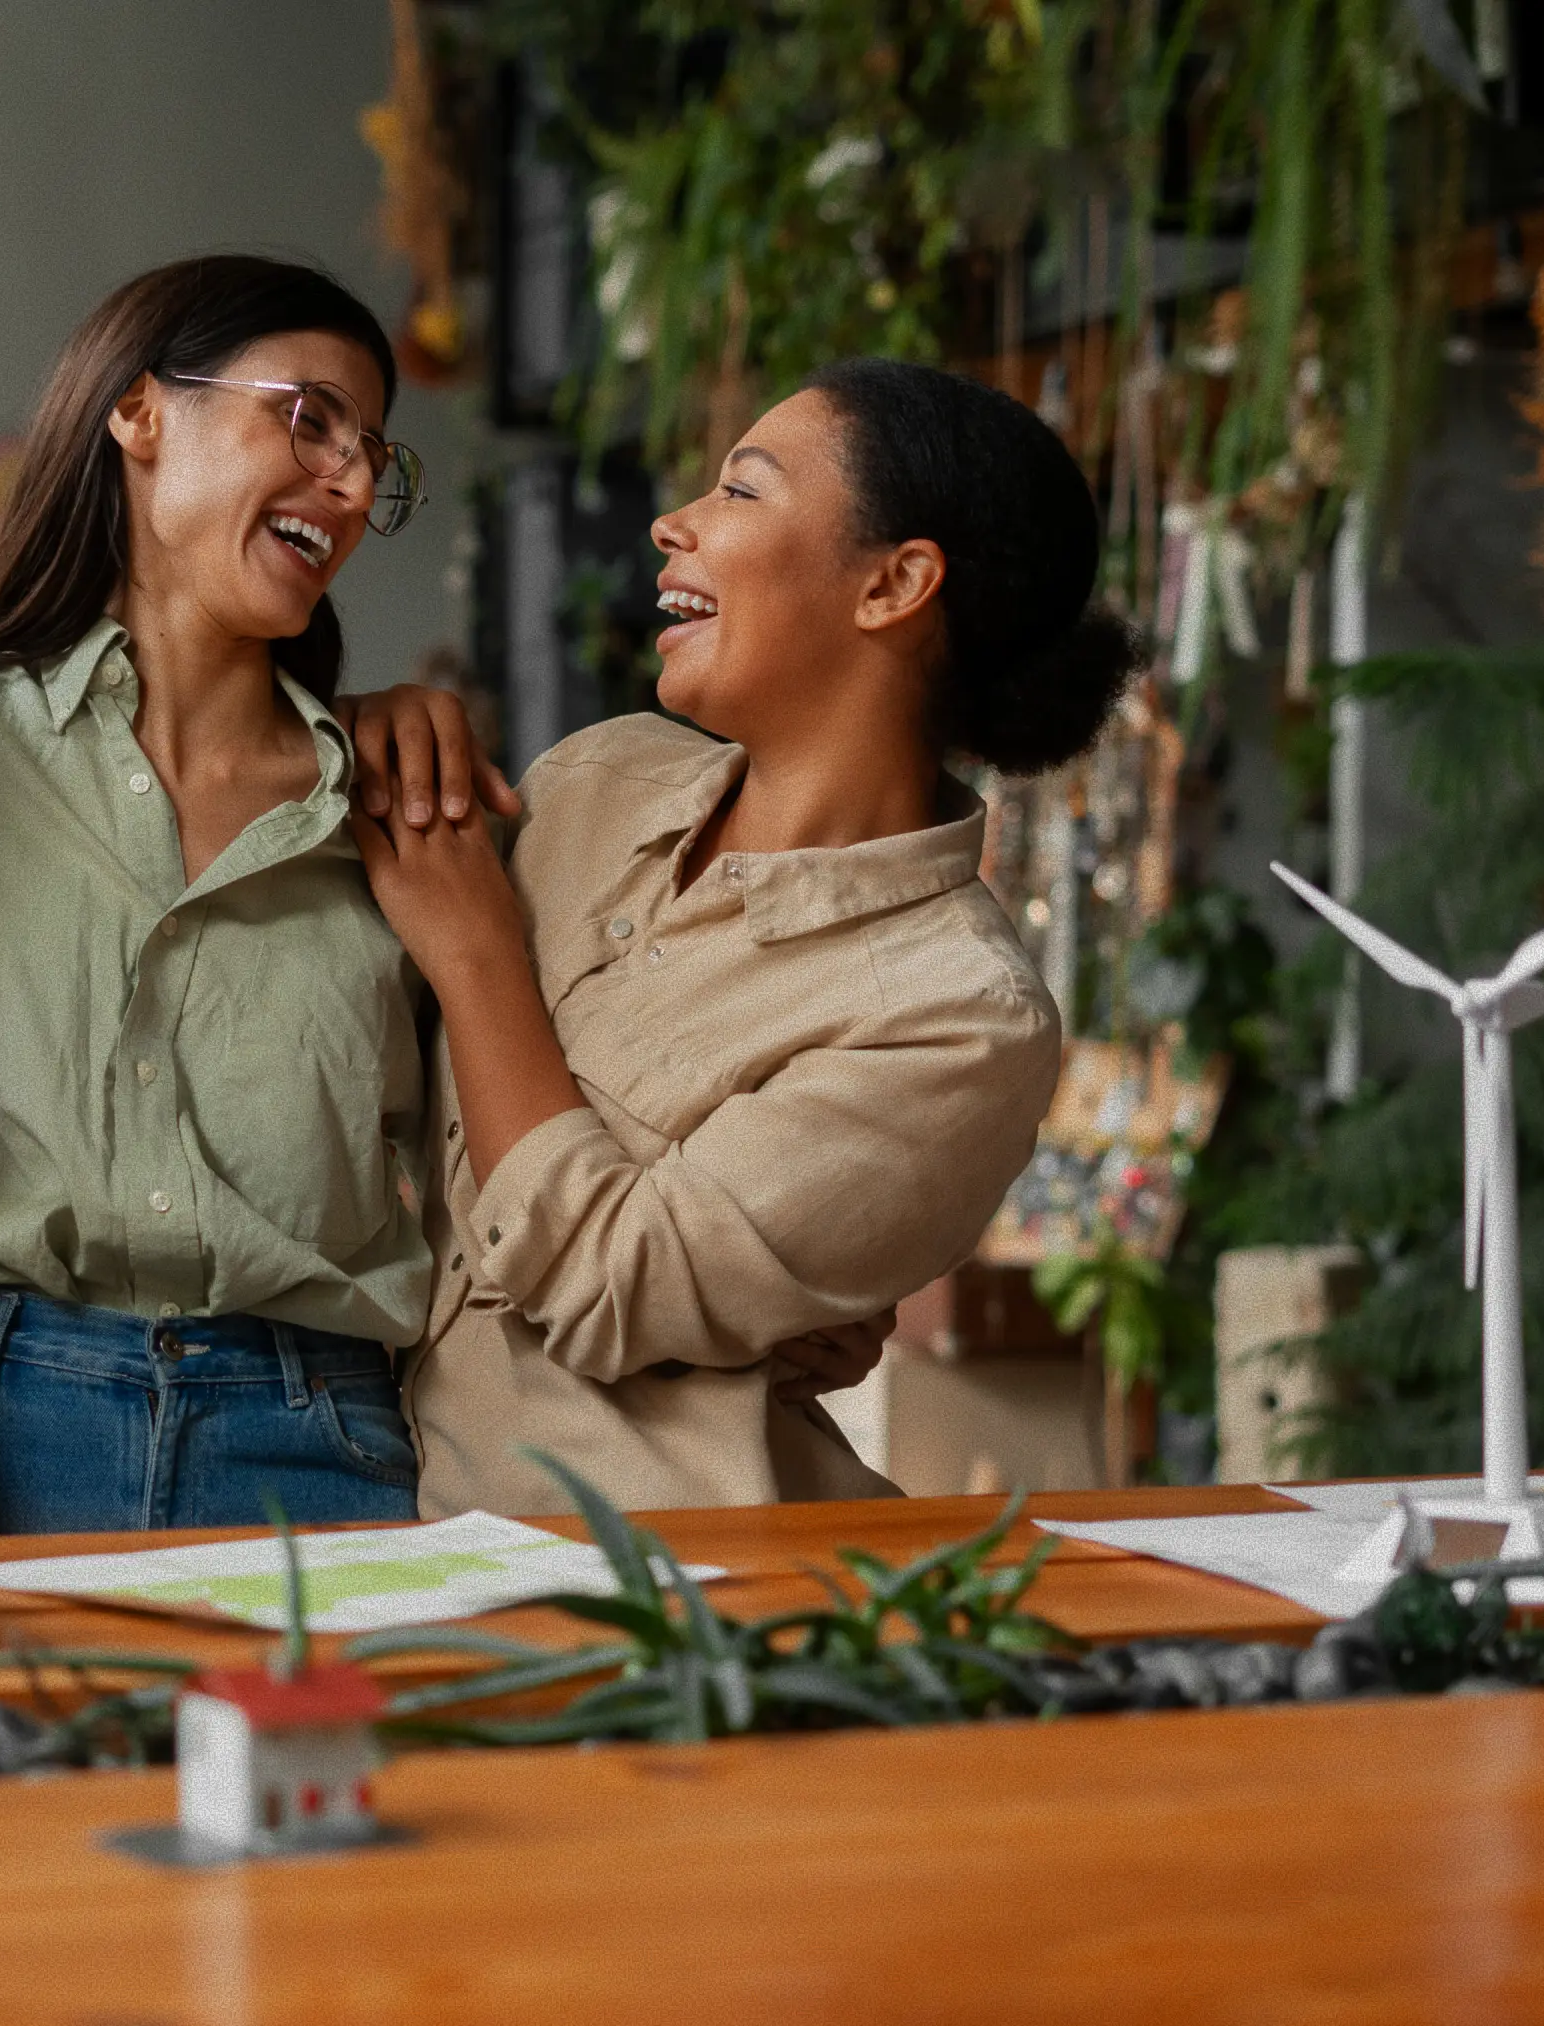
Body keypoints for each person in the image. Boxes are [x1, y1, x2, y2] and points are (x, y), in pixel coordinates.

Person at [355, 359, 1138, 1516]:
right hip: (352, 1498)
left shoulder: (958, 1015)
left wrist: (477, 955)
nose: (673, 523)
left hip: (651, 1599)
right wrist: (363, 730)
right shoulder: (592, 782)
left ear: (894, 584)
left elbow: (609, 1278)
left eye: (742, 491)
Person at [0, 256, 455, 1534]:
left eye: (371, 454)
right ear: (141, 411)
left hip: (317, 1435)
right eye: (309, 416)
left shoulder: (388, 797)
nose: (348, 482)